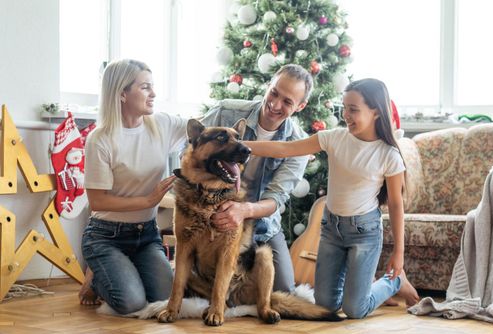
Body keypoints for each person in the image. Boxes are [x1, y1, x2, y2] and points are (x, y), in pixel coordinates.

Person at [244, 78, 420, 318]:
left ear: (376, 111)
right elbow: (285, 149)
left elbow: (397, 205)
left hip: (364, 234)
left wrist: (398, 253)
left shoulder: (388, 155)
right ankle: (367, 287)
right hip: (332, 231)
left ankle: (394, 282)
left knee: (355, 309)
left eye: (354, 109)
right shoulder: (334, 138)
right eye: (344, 108)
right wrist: (242, 146)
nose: (346, 115)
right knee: (325, 305)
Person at [78, 59, 187, 314]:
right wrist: (148, 201)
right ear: (122, 94)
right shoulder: (100, 139)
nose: (154, 94)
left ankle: (121, 270)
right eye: (145, 87)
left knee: (167, 297)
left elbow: (205, 126)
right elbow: (98, 202)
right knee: (131, 303)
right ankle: (96, 277)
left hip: (146, 235)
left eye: (153, 86)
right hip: (106, 236)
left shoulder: (162, 124)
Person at [199, 64, 312, 293]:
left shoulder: (298, 143)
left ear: (301, 106)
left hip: (261, 226)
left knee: (282, 292)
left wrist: (243, 211)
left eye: (288, 102)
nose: (275, 104)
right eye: (274, 93)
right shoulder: (225, 112)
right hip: (211, 215)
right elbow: (189, 150)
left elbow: (275, 199)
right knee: (201, 283)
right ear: (269, 85)